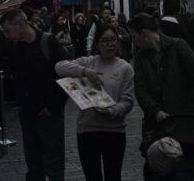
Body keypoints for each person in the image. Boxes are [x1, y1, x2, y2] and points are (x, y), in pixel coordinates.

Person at [127, 12, 194, 181]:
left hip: (186, 122)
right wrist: (156, 110)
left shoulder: (178, 46)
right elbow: (141, 90)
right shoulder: (141, 58)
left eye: (134, 36)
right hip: (160, 126)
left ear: (144, 33)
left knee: (188, 168)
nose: (134, 41)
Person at [55, 25, 136, 181]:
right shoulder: (88, 62)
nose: (109, 44)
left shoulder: (125, 68)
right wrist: (85, 72)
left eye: (113, 40)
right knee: (92, 177)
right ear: (97, 44)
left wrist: (112, 111)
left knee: (113, 176)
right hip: (87, 130)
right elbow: (59, 67)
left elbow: (127, 101)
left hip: (114, 131)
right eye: (104, 41)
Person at [0, 8, 70, 181]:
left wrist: (53, 107)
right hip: (28, 114)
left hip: (48, 115)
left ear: (19, 25)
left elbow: (67, 74)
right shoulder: (16, 46)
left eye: (8, 30)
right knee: (33, 163)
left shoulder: (47, 42)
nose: (6, 35)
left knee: (53, 163)